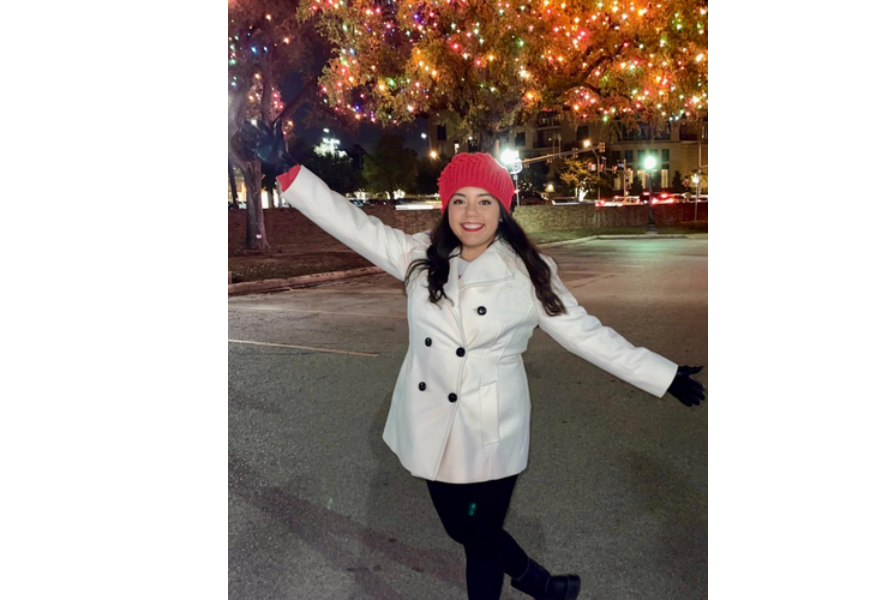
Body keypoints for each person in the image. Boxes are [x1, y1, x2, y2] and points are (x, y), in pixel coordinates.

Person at [240, 119, 706, 600]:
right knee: (462, 530)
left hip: (491, 427)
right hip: (430, 421)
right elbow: (349, 222)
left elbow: (584, 332)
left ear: (503, 209)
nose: (471, 212)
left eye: (485, 200)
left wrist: (662, 374)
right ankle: (536, 581)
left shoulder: (528, 272)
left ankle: (537, 583)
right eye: (459, 199)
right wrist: (288, 169)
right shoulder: (417, 256)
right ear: (446, 206)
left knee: (479, 543)